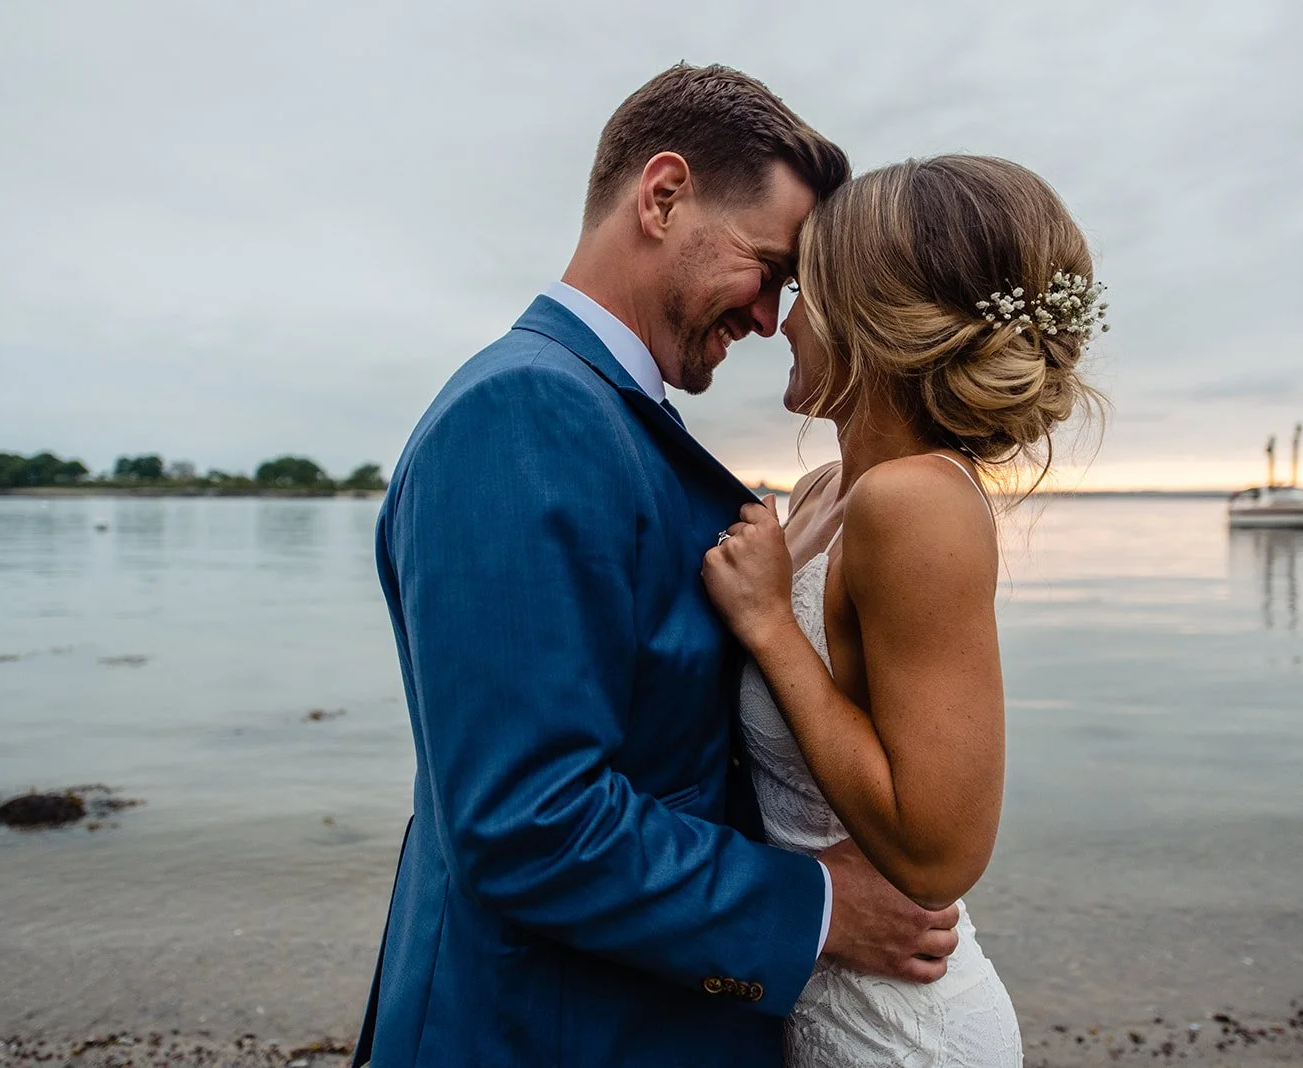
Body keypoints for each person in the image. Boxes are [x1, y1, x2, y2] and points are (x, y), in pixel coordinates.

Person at [354, 65, 963, 1068]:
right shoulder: (524, 415)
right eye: (767, 267)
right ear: (663, 194)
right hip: (545, 1036)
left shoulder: (600, 416)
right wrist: (812, 910)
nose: (772, 317)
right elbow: (525, 820)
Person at [703, 155, 1108, 1066]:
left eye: (804, 289)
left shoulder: (917, 502)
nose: (783, 320)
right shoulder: (824, 491)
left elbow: (939, 856)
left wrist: (769, 626)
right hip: (814, 995)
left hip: (898, 1031)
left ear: (867, 315)